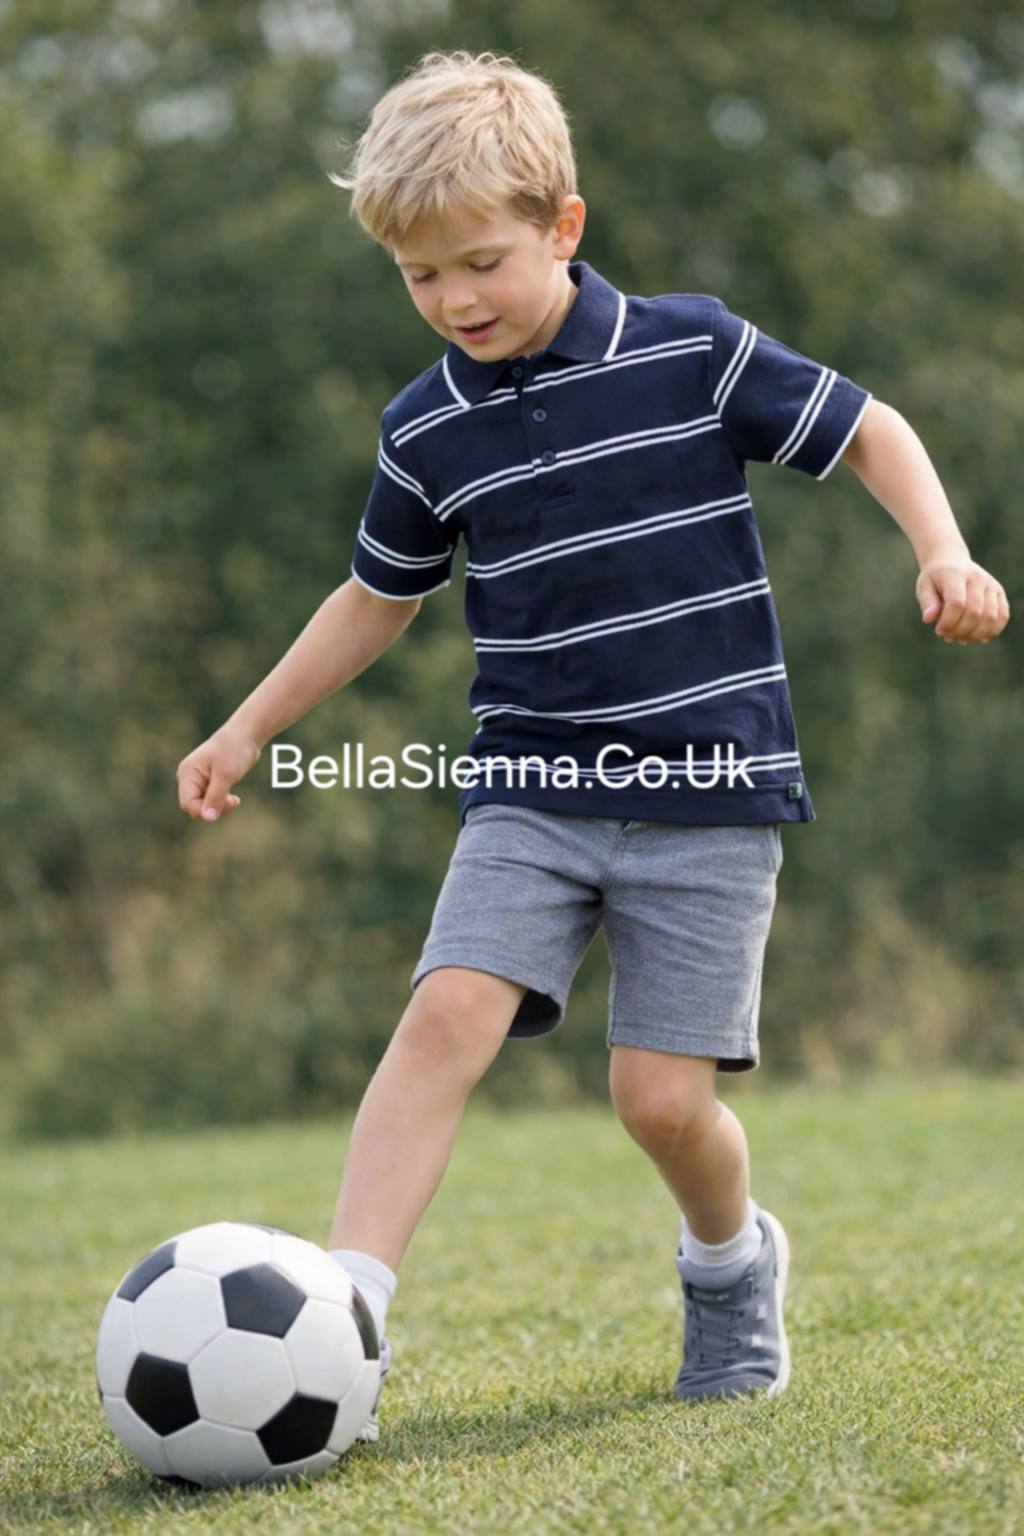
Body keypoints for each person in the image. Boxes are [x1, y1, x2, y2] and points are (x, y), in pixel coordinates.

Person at [176, 49, 1010, 1436]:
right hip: (532, 786)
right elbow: (377, 598)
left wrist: (943, 549)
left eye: (481, 263)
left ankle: (730, 1264)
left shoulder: (691, 348)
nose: (455, 300)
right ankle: (344, 1329)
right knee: (445, 1017)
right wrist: (249, 725)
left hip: (710, 789)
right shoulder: (426, 427)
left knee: (659, 1104)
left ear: (564, 225)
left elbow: (870, 429)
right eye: (420, 276)